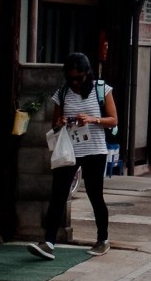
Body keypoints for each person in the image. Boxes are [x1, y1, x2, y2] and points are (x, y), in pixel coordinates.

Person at [29, 52, 116, 260]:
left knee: (95, 195)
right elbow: (54, 123)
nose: (75, 82)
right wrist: (60, 123)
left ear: (87, 73)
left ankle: (102, 239)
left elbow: (113, 120)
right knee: (58, 194)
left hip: (95, 150)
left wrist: (92, 119)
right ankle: (48, 242)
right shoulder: (63, 92)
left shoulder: (102, 90)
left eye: (79, 78)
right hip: (70, 150)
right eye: (70, 78)